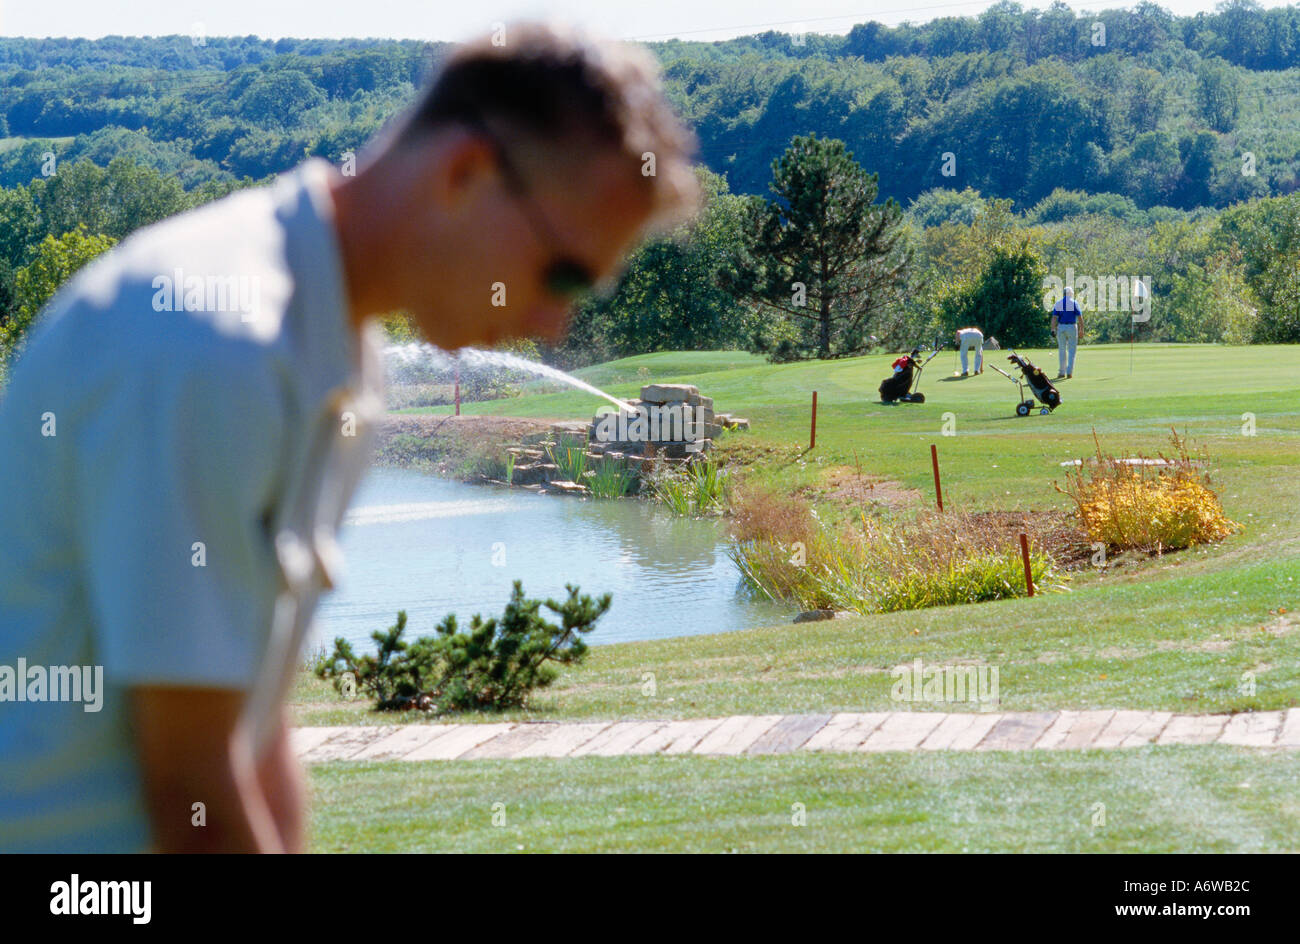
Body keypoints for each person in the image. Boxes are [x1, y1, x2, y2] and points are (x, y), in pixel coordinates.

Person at [0, 21, 698, 853]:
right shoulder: (217, 345)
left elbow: (251, 727)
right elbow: (188, 788)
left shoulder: (341, 353)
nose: (553, 323)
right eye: (562, 273)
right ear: (465, 173)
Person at [1051, 286, 1084, 378]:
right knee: (1072, 350)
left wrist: (1052, 329)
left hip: (1061, 327)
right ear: (1070, 293)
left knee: (1062, 350)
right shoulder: (1074, 303)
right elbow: (1080, 317)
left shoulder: (1058, 303)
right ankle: (1069, 372)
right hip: (1071, 327)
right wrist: (1082, 329)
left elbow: (1054, 318)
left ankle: (1062, 372)